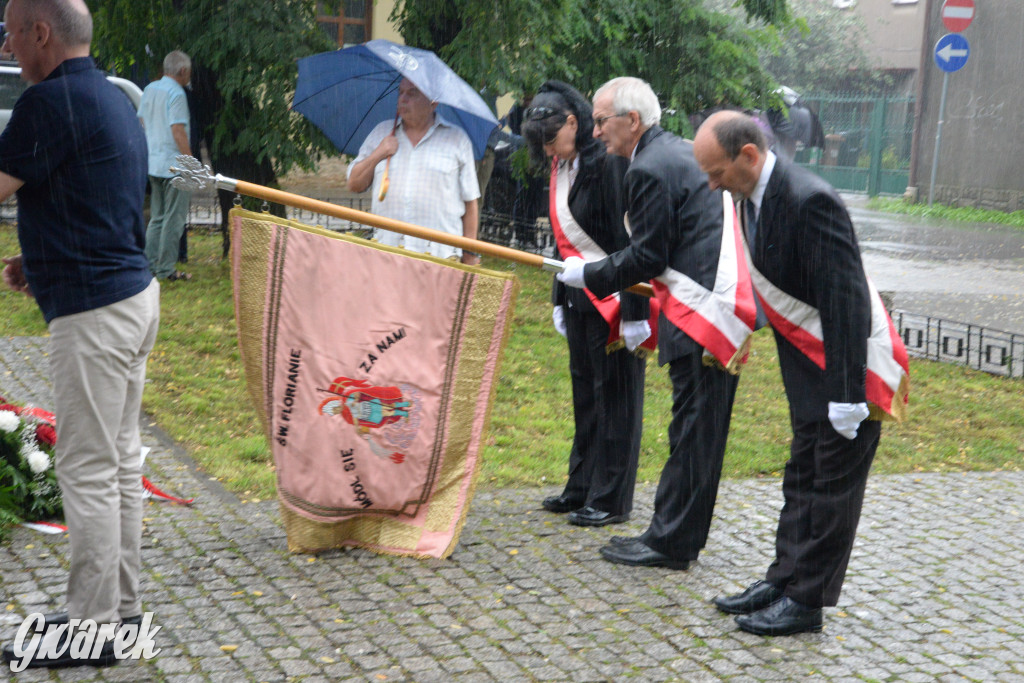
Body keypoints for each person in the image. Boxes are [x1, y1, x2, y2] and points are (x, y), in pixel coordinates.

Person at [692, 110, 908, 636]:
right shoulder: (748, 197)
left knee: (832, 488)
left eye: (717, 171)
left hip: (849, 369)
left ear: (748, 154)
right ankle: (784, 578)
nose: (711, 183)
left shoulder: (809, 199)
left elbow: (845, 298)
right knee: (802, 478)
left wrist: (847, 392)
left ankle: (806, 601)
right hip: (809, 365)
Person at [0, 0, 159, 668]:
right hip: (130, 297)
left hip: (96, 311)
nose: (10, 49)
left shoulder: (49, 102)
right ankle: (116, 609)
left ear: (42, 33)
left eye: (11, 35)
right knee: (118, 463)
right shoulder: (111, 97)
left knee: (89, 469)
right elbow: (102, 201)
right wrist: (38, 262)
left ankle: (93, 627)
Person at [558, 77, 755, 570]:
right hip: (712, 304)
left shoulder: (646, 167)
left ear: (632, 121)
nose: (596, 131)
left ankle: (671, 543)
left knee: (692, 433)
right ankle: (672, 535)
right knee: (696, 432)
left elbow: (648, 254)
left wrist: (589, 274)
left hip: (702, 313)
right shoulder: (671, 152)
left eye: (601, 121)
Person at [521, 80, 650, 527]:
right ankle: (581, 486)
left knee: (617, 399)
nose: (548, 151)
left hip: (617, 298)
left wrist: (636, 313)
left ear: (574, 124)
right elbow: (564, 246)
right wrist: (561, 296)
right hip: (580, 296)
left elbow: (630, 244)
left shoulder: (610, 166)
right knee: (586, 394)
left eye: (551, 139)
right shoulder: (560, 169)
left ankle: (612, 498)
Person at [347, 78, 481, 266]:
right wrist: (378, 153)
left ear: (433, 102)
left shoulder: (457, 140)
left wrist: (470, 255)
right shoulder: (382, 132)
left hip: (439, 258)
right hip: (387, 254)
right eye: (400, 93)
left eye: (412, 93)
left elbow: (471, 203)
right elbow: (354, 183)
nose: (402, 99)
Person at [139, 49, 193, 282]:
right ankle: (167, 270)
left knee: (158, 217)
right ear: (182, 70)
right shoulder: (177, 93)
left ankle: (149, 266)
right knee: (174, 218)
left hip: (153, 163)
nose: (189, 76)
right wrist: (190, 163)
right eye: (189, 72)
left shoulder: (150, 89)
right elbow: (177, 130)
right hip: (174, 165)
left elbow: (142, 122)